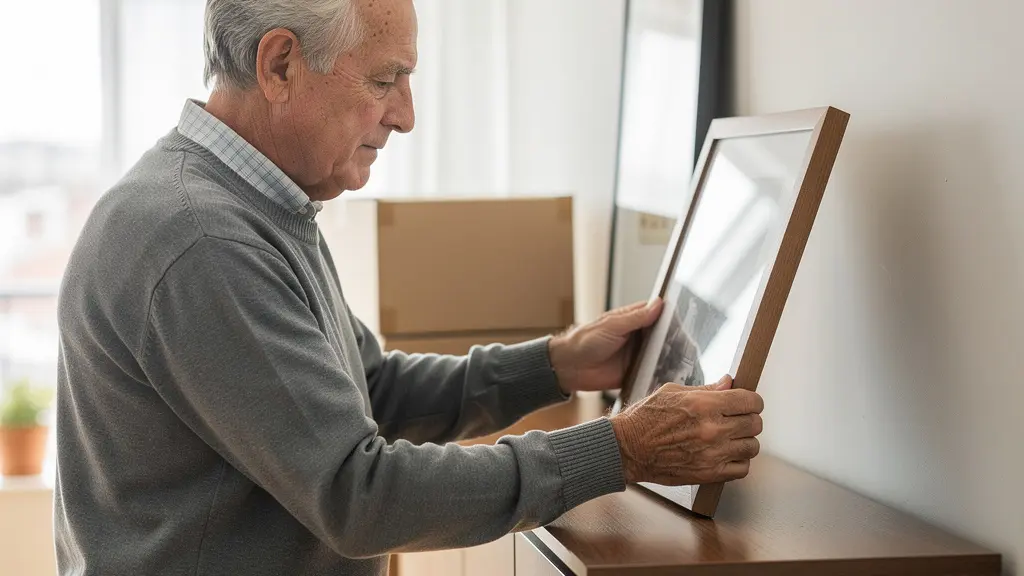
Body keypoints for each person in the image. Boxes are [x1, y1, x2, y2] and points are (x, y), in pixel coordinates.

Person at [53, 0, 764, 574]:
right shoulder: (203, 239)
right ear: (280, 65)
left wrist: (555, 365)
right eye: (383, 80)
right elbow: (360, 496)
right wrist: (620, 448)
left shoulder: (256, 206)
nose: (406, 115)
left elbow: (372, 390)